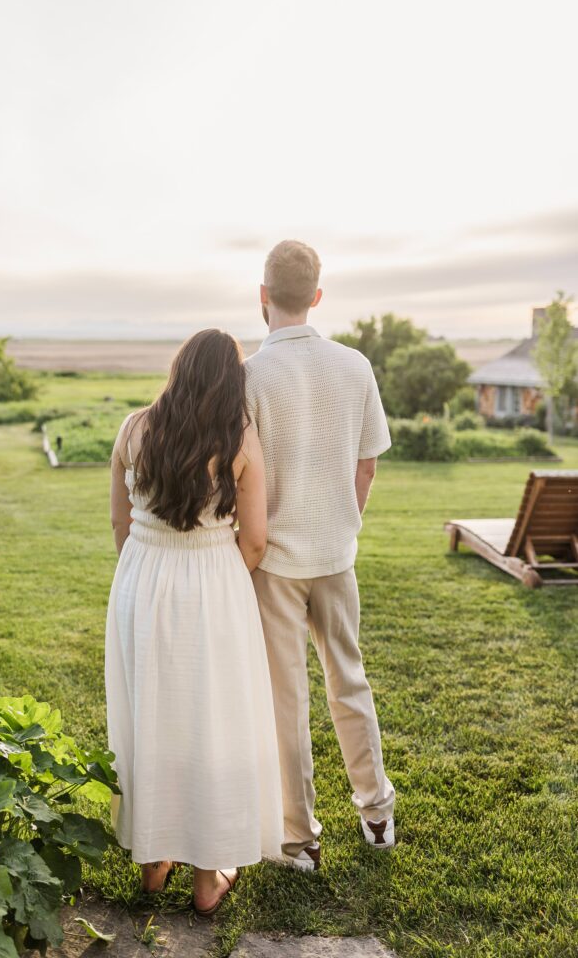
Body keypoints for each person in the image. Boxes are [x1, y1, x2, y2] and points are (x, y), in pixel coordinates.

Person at [105, 329, 283, 915]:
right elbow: (254, 542)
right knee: (213, 717)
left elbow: (121, 523)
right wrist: (220, 577)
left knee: (151, 711)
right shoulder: (240, 440)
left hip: (142, 579)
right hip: (213, 583)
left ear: (177, 370)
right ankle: (209, 878)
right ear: (234, 383)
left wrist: (146, 570)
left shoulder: (134, 429)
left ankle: (154, 859)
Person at [245, 240, 395, 872]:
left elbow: (240, 475)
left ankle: (298, 835)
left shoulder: (249, 375)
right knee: (349, 678)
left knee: (287, 697)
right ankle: (376, 811)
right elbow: (367, 462)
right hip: (335, 549)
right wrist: (345, 521)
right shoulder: (355, 366)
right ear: (317, 296)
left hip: (274, 561)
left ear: (262, 297)